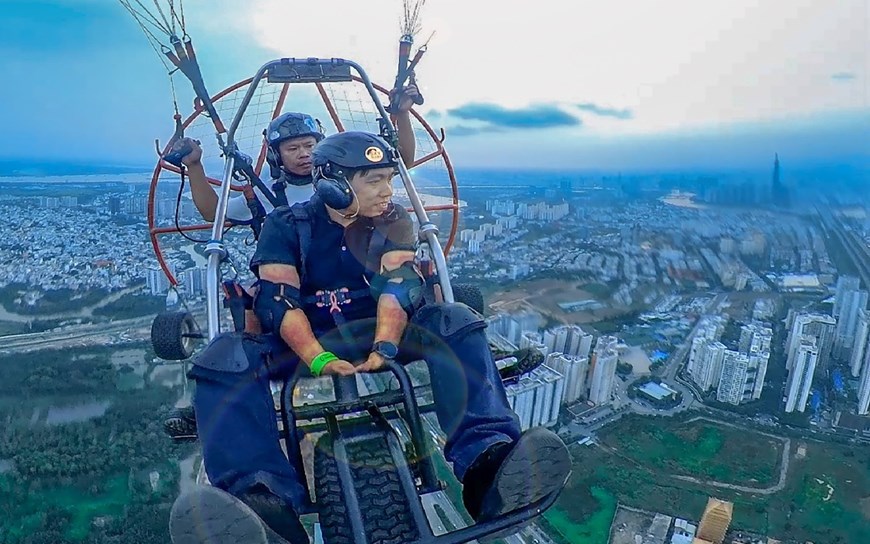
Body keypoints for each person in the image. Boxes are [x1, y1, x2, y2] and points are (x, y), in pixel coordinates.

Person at [168, 131, 572, 544]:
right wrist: (320, 358)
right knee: (225, 356)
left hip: (380, 329)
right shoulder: (285, 225)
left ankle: (488, 464)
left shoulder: (393, 219)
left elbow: (397, 286)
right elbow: (280, 302)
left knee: (453, 319)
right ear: (335, 185)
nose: (386, 190)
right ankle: (262, 506)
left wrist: (384, 345)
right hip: (304, 340)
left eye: (389, 179)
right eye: (374, 180)